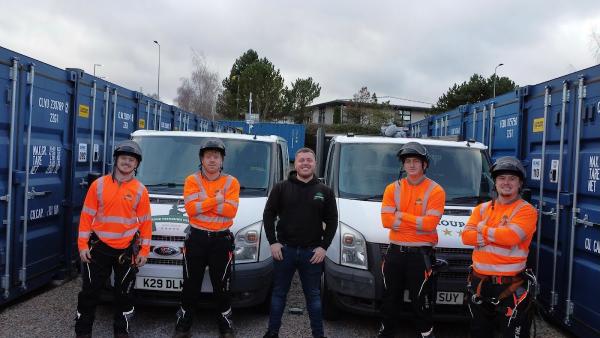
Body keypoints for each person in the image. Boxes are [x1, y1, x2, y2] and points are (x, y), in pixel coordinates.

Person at [75, 139, 152, 338]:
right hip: (98, 248)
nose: (127, 162)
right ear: (116, 160)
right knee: (89, 294)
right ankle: (82, 333)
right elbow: (86, 216)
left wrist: (144, 250)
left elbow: (145, 223)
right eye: (124, 158)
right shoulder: (98, 185)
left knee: (124, 295)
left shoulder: (140, 190)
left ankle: (121, 333)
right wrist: (82, 245)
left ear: (137, 165)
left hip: (126, 251)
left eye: (132, 160)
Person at [262, 147, 338, 338]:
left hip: (312, 253)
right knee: (279, 295)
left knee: (313, 297)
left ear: (315, 164)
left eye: (309, 160)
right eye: (301, 160)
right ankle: (272, 333)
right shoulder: (281, 187)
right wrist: (273, 242)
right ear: (295, 164)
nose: (305, 163)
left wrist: (323, 247)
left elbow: (332, 221)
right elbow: (268, 214)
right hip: (284, 251)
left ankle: (318, 335)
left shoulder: (324, 191)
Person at [461, 156, 537, 338]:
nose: (506, 183)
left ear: (520, 184)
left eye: (512, 178)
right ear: (494, 182)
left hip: (510, 287)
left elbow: (511, 237)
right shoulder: (482, 208)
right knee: (478, 332)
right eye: (502, 178)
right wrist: (496, 234)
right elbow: (466, 237)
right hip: (480, 284)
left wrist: (482, 229)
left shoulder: (526, 210)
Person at [377, 142, 445, 338]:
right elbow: (386, 221)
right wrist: (415, 221)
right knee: (390, 298)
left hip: (421, 255)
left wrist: (401, 216)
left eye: (416, 161)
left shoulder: (435, 190)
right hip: (395, 252)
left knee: (421, 300)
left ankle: (426, 334)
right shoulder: (392, 189)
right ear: (403, 165)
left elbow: (429, 225)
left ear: (425, 164)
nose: (412, 165)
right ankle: (386, 333)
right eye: (408, 161)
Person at [174, 138, 240, 338]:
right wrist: (218, 200)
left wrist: (206, 203)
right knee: (190, 283)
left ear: (222, 161)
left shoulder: (231, 182)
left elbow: (230, 212)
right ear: (202, 159)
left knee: (222, 284)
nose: (212, 160)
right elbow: (191, 209)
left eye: (216, 156)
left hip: (221, 240)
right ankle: (184, 324)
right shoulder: (191, 180)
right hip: (197, 239)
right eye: (208, 156)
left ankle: (225, 325)